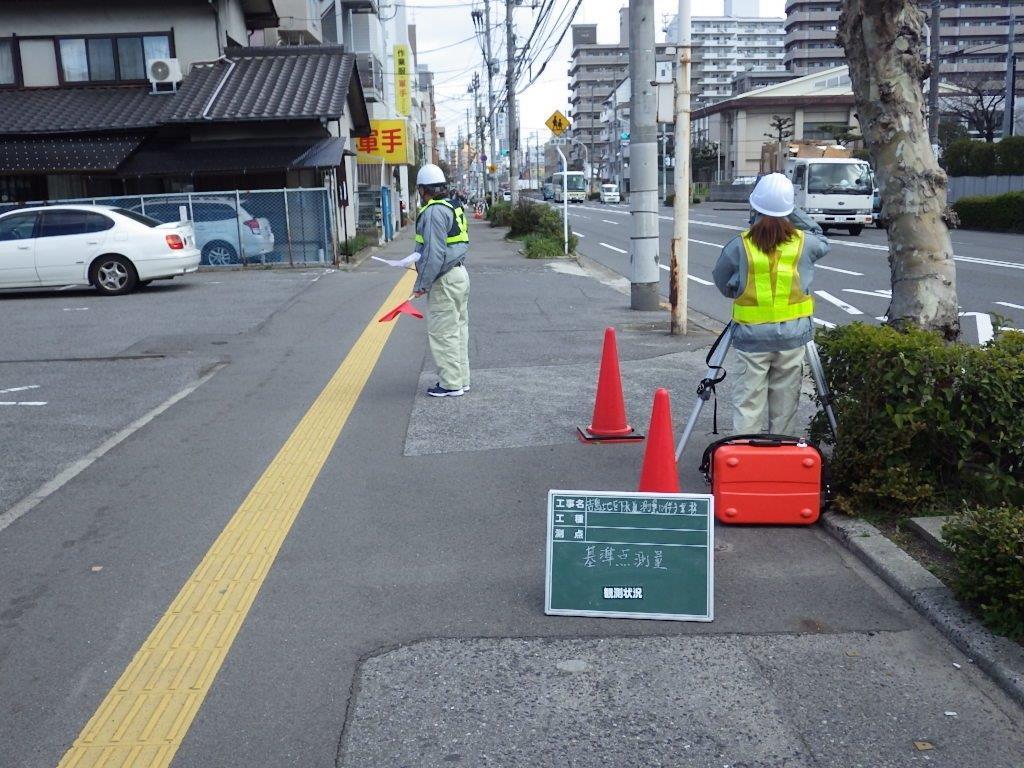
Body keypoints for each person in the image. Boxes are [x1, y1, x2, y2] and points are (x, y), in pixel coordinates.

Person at [712, 173, 830, 435]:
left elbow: (722, 282)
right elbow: (820, 235)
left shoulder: (739, 246)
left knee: (748, 405)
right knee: (785, 408)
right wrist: (791, 210)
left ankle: (744, 461)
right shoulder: (805, 244)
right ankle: (779, 462)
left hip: (751, 339)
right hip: (792, 337)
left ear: (754, 207)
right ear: (789, 208)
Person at [412, 164, 471, 397]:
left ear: (424, 189)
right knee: (457, 330)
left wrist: (422, 285)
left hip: (444, 279)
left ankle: (450, 384)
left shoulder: (434, 211)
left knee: (443, 332)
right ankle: (461, 379)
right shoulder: (452, 206)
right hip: (459, 275)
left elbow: (433, 254)